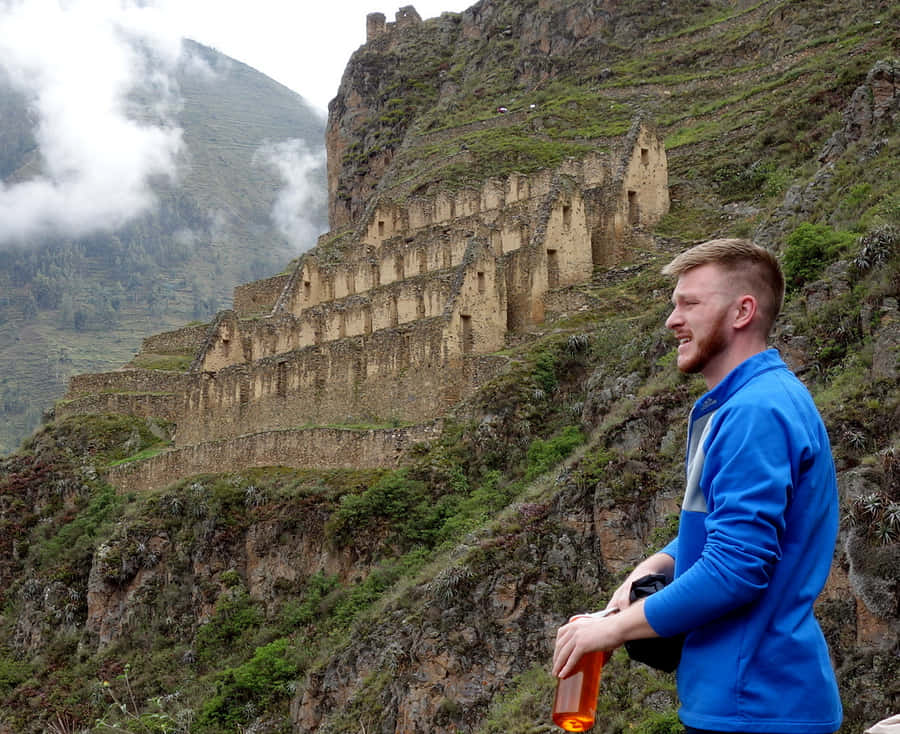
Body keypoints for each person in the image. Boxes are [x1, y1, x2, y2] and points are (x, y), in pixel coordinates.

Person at [552, 238, 843, 733]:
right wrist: (651, 567)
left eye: (690, 304)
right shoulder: (747, 402)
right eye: (674, 305)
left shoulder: (755, 412)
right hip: (748, 698)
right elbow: (731, 528)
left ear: (742, 311)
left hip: (754, 705)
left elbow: (736, 568)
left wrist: (612, 630)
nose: (673, 320)